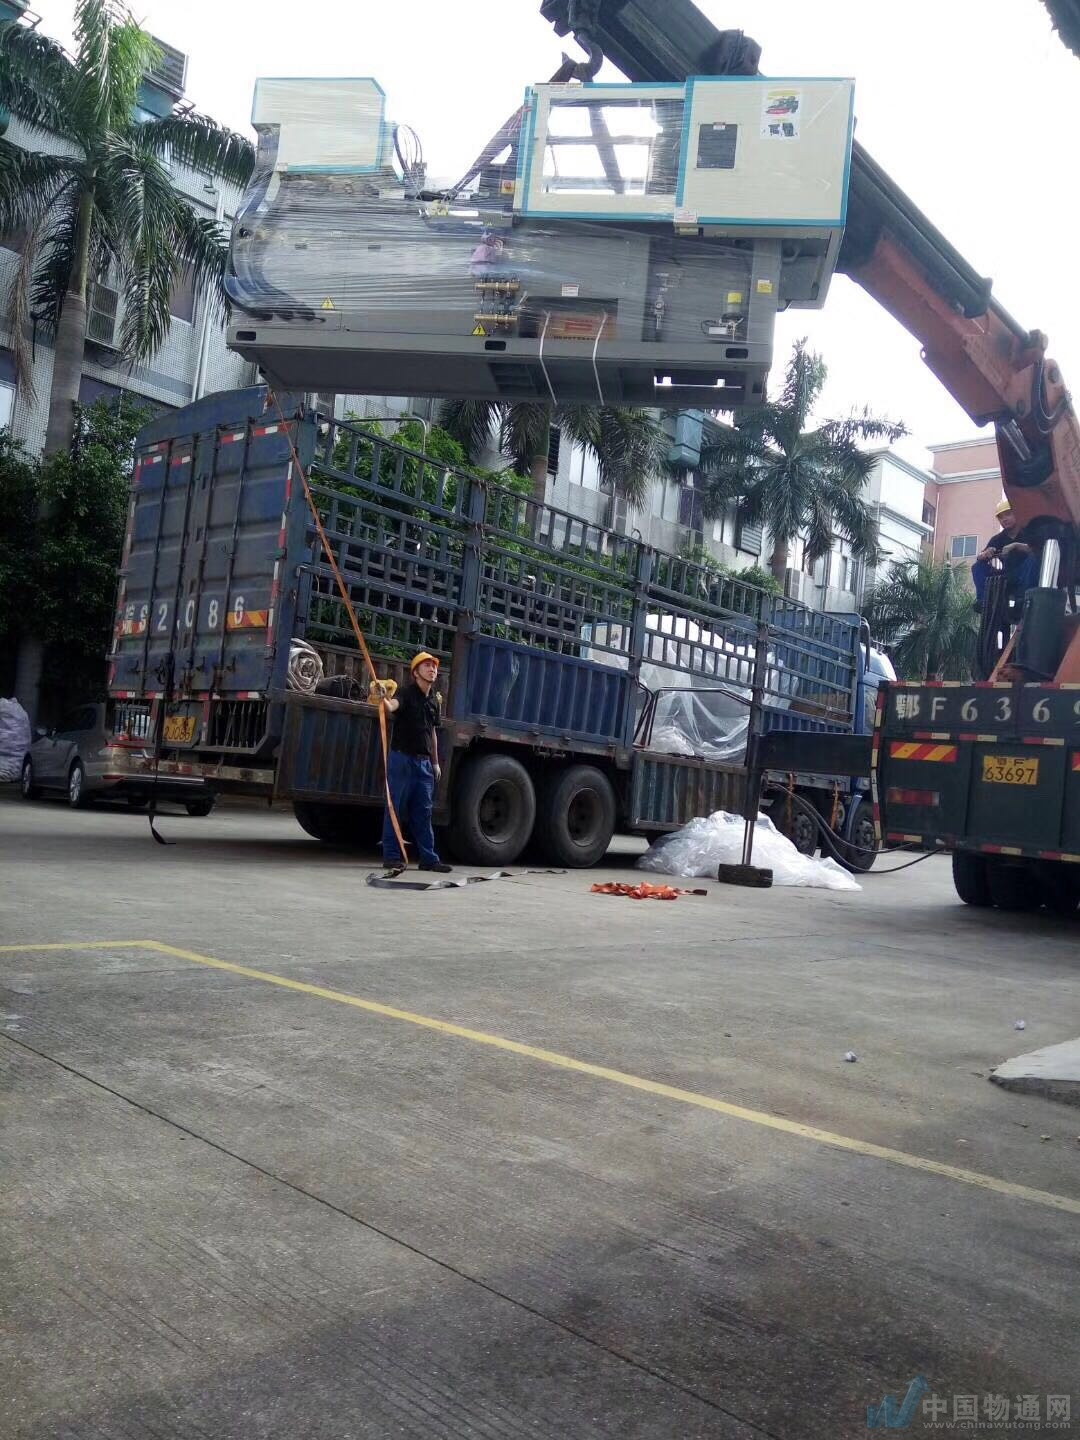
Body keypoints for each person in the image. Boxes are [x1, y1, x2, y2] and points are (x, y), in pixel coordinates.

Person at [377, 652, 451, 877]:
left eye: (434, 667)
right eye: (427, 666)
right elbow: (392, 707)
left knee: (424, 812)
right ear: (416, 672)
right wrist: (383, 697)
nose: (432, 669)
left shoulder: (433, 701)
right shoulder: (406, 693)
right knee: (394, 808)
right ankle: (391, 857)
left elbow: (433, 733)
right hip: (402, 759)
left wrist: (435, 762)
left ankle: (429, 859)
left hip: (424, 765)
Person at [972, 499, 1041, 608]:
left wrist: (1016, 545)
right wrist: (986, 554)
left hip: (1026, 575)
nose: (1004, 519)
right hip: (1007, 576)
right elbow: (979, 557)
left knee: (1032, 558)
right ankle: (984, 599)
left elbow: (1038, 550)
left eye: (1008, 514)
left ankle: (1024, 597)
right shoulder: (997, 539)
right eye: (1000, 517)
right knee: (977, 566)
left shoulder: (1028, 533)